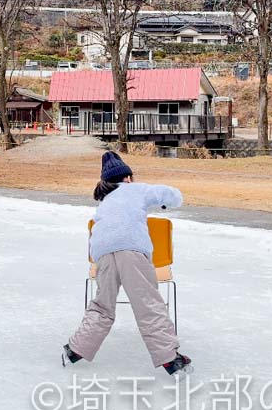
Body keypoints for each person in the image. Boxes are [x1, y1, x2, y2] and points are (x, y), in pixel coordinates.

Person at [63, 151, 191, 375]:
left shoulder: (105, 199)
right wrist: (167, 202)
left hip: (101, 252)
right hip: (131, 250)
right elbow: (171, 195)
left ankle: (75, 350)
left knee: (102, 306)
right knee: (148, 304)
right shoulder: (137, 189)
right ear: (128, 177)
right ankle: (170, 359)